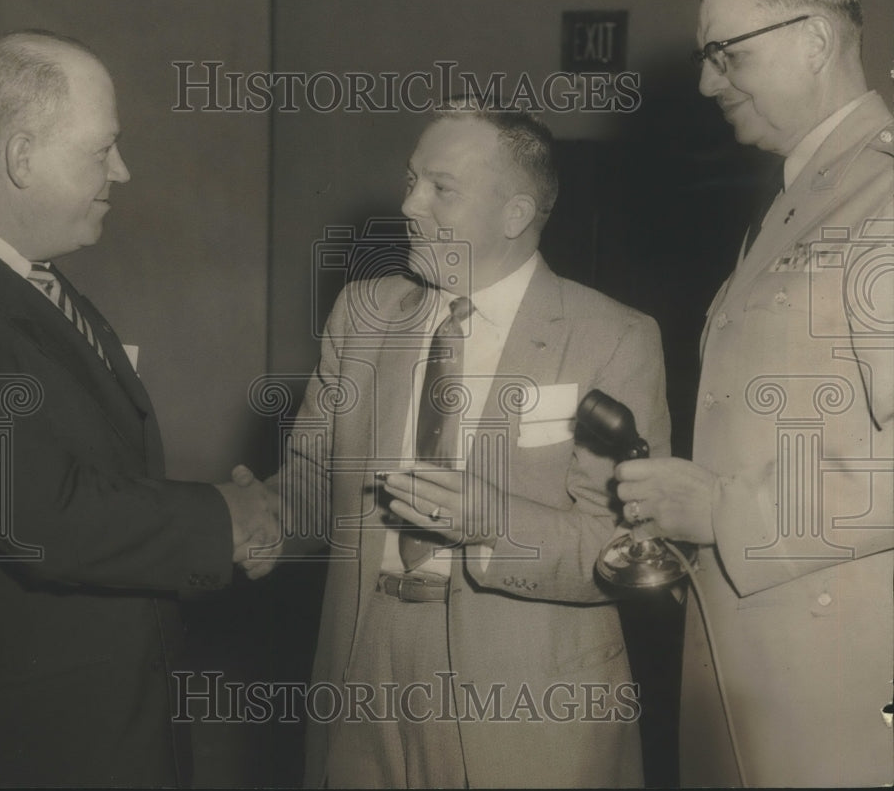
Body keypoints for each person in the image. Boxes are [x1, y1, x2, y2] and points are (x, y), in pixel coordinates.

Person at [251, 100, 671, 787]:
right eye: (411, 178)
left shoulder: (613, 337)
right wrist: (244, 514)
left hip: (530, 689)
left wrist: (495, 523)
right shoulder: (362, 314)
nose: (410, 203)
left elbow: (625, 545)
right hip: (365, 660)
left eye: (441, 188)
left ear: (515, 214)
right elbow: (310, 480)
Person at [0, 30, 278, 787]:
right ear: (22, 156)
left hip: (104, 725)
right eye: (102, 151)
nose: (122, 173)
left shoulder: (24, 279)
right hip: (25, 748)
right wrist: (227, 517)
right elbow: (47, 513)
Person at [613, 0, 894, 787]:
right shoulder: (796, 203)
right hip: (749, 670)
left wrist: (726, 509)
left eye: (726, 54)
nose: (705, 82)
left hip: (835, 694)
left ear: (814, 41)